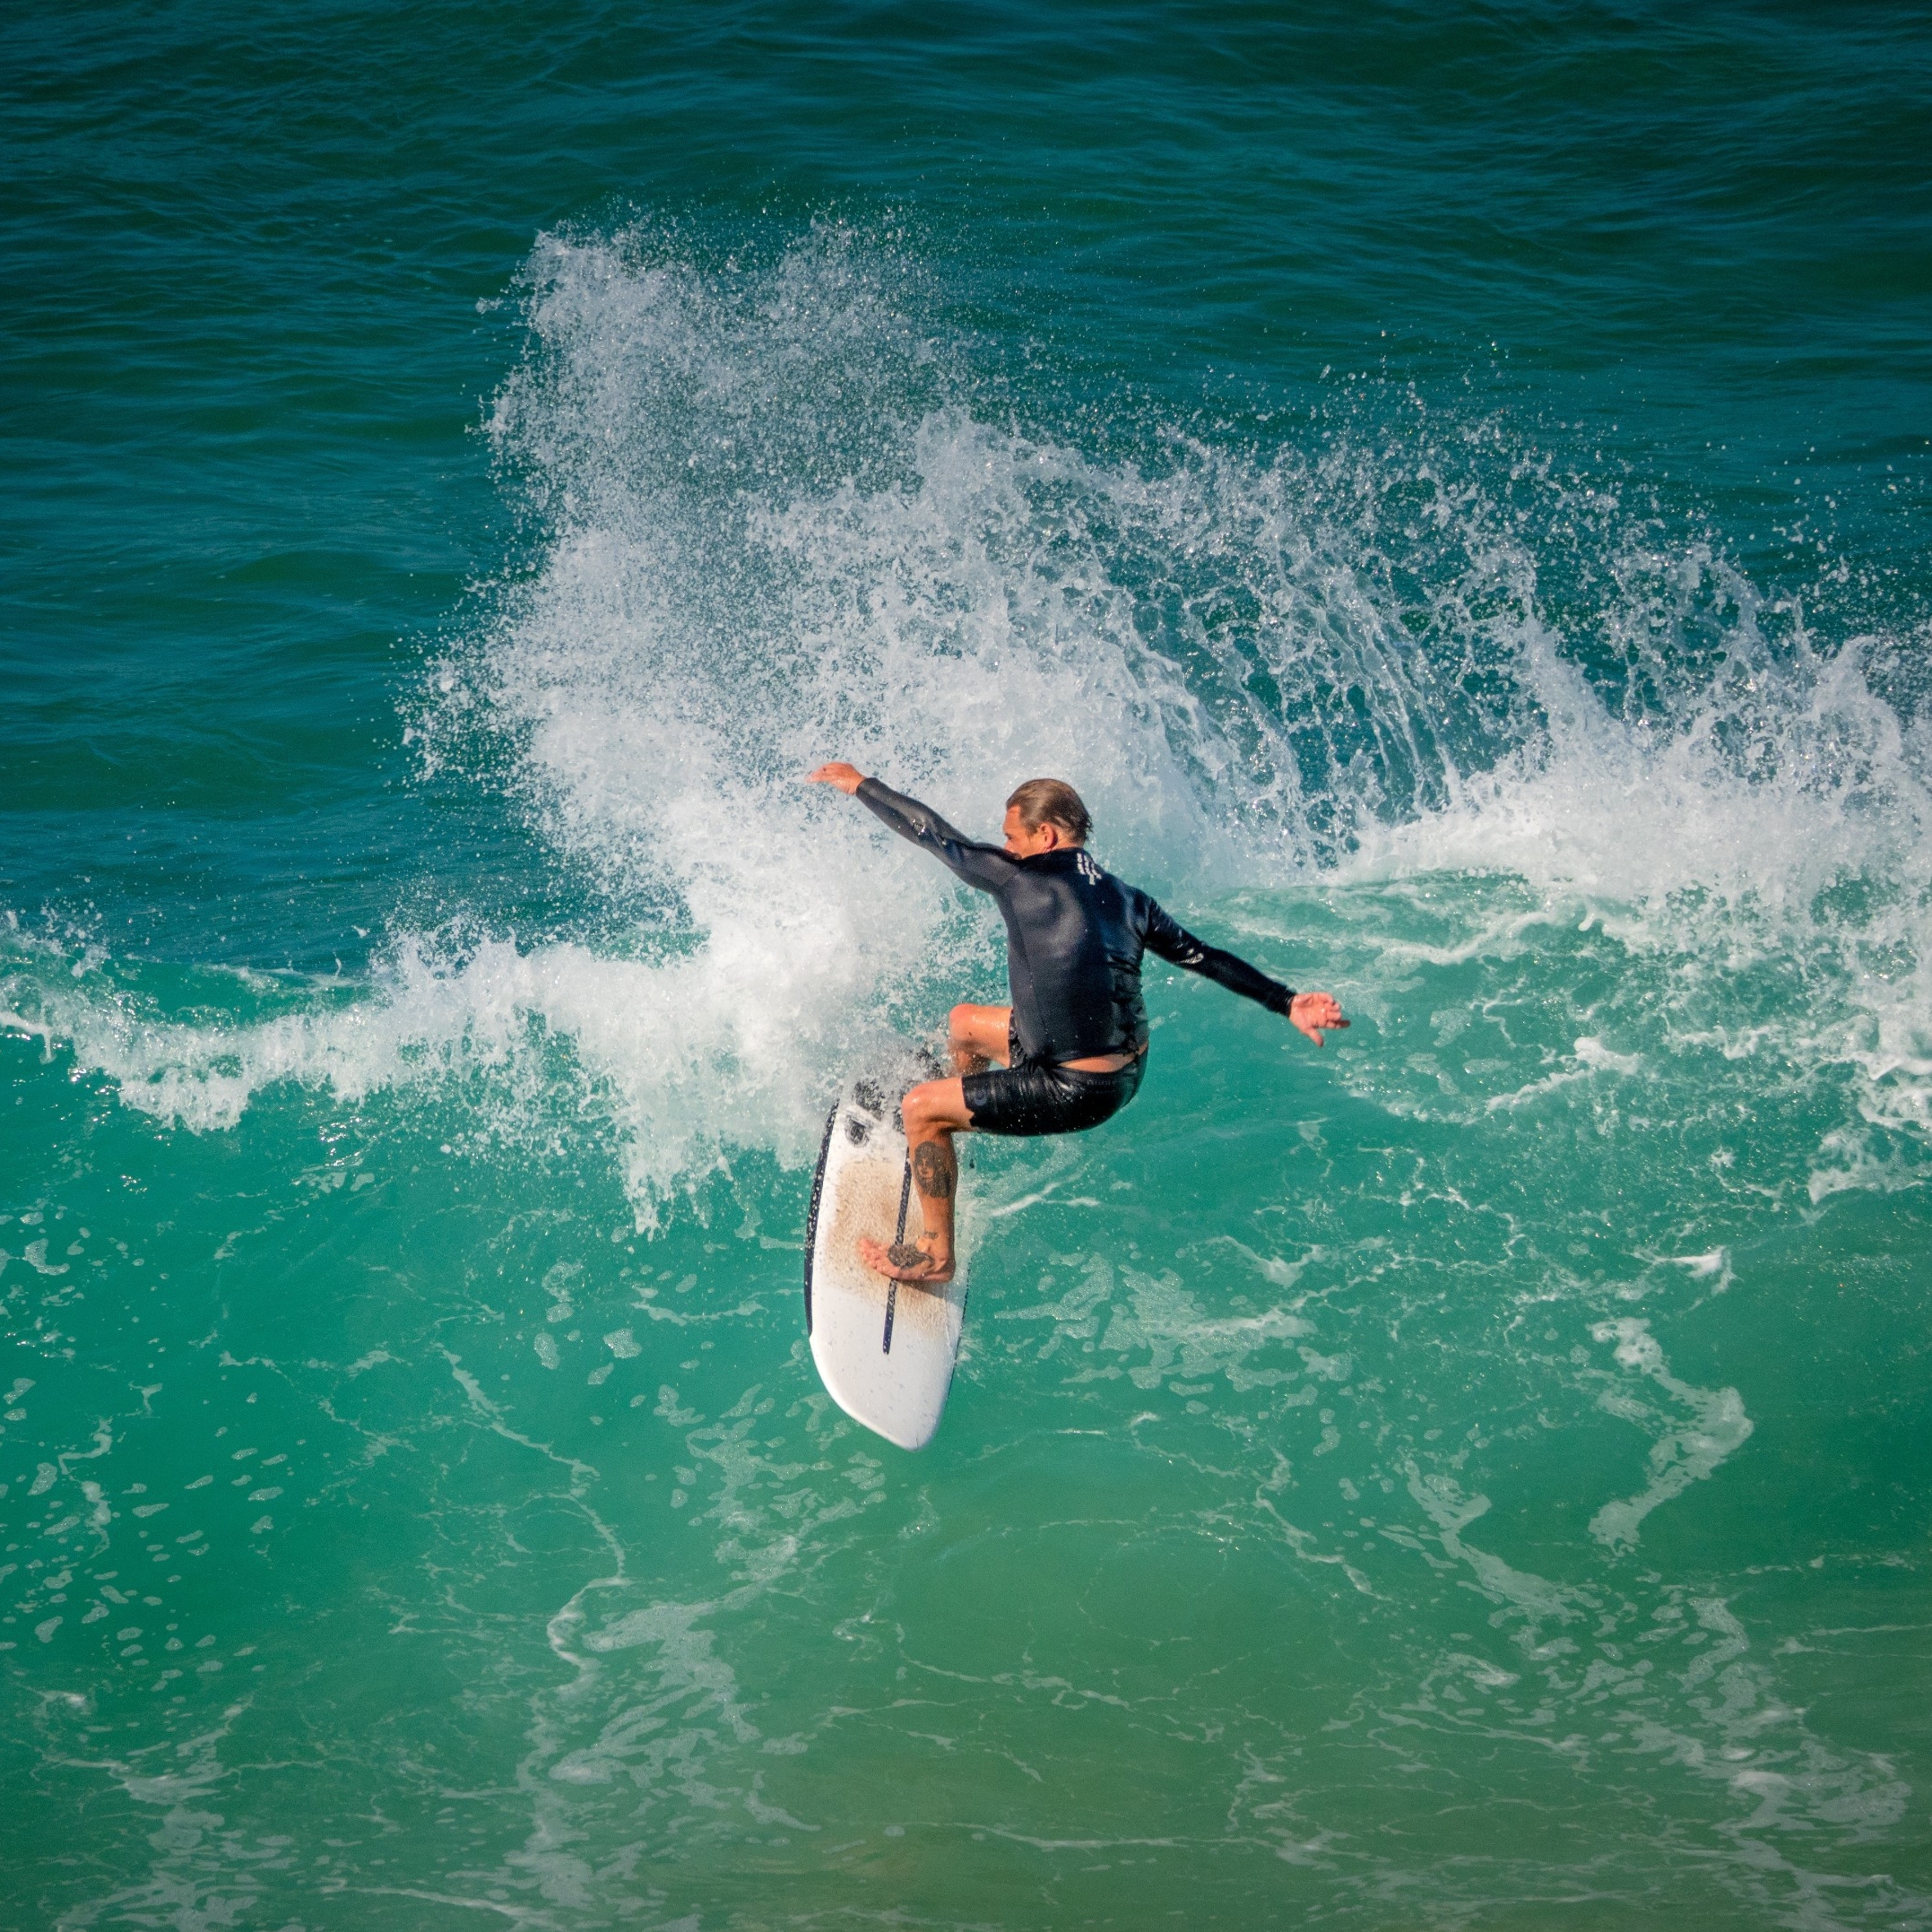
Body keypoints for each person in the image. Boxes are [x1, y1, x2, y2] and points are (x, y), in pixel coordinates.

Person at [804, 763, 1349, 1287]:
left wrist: (861, 786)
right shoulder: (1131, 900)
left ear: (1045, 835)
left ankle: (935, 1251)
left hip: (1074, 1087)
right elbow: (1203, 957)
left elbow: (935, 835)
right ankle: (956, 1131)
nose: (1007, 847)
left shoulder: (1019, 877)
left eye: (1012, 837)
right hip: (1124, 1071)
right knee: (964, 1024)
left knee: (917, 1107)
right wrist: (1287, 1001)